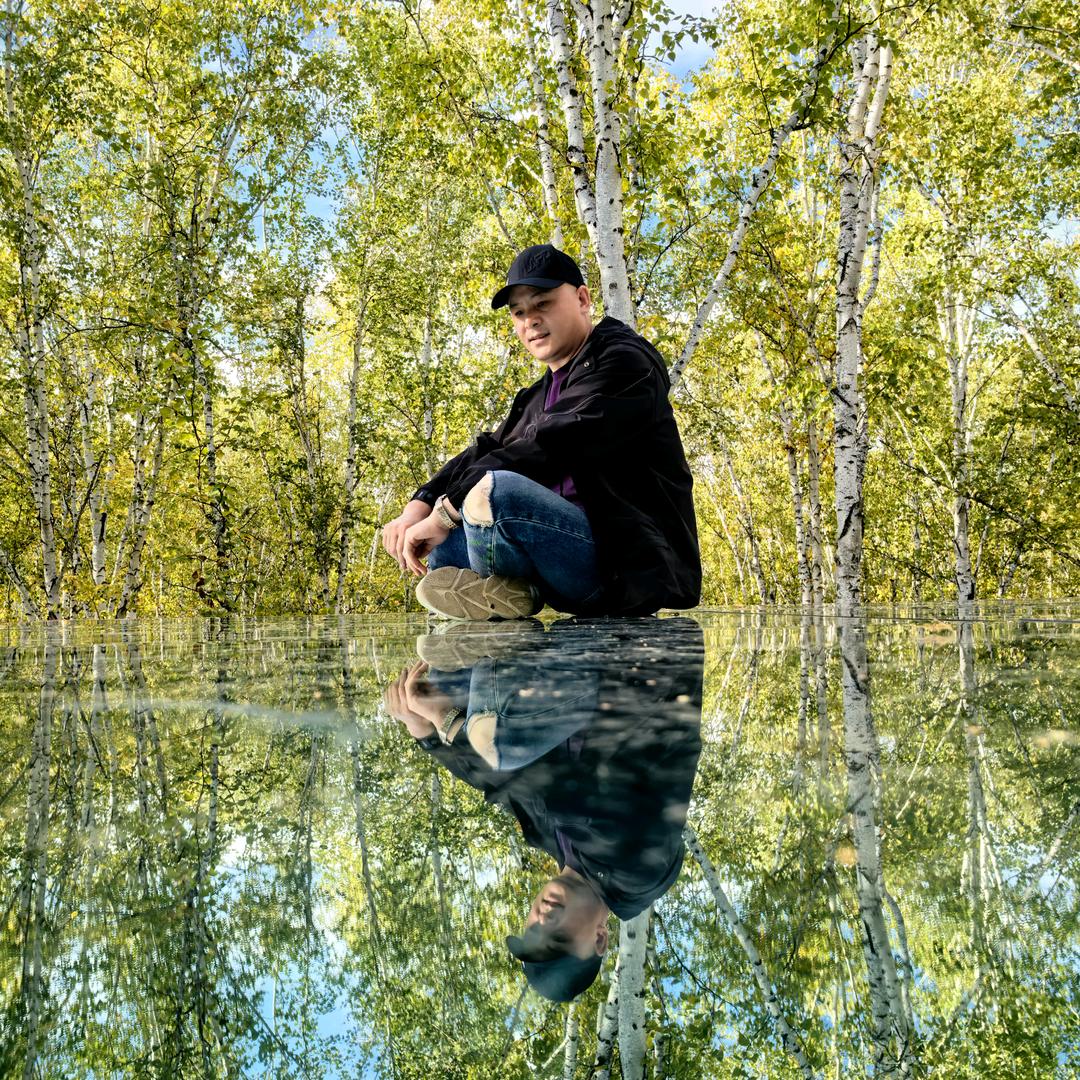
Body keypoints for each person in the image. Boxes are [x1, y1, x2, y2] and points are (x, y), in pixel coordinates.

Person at [384, 617, 705, 1001]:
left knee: (436, 688)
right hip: (632, 654)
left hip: (578, 655)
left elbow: (498, 788)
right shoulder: (638, 876)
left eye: (531, 930)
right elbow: (550, 783)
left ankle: (485, 597)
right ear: (600, 939)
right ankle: (491, 632)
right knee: (488, 736)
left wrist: (424, 733)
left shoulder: (558, 846)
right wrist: (446, 721)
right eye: (559, 937)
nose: (543, 920)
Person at [380, 244, 701, 619]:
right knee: (443, 525)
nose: (529, 320)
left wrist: (445, 514)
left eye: (542, 304)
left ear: (582, 298)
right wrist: (418, 507)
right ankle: (507, 592)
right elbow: (486, 450)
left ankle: (497, 589)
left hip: (617, 570)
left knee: (496, 490)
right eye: (519, 312)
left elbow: (549, 446)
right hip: (551, 566)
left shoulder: (624, 362)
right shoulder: (539, 394)